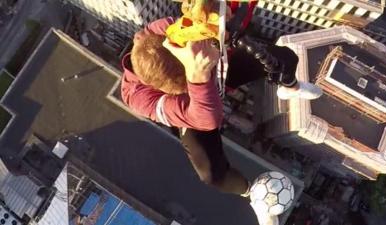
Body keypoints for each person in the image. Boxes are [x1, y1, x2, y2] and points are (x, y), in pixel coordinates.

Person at [121, 14, 322, 196]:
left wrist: (217, 30)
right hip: (192, 107)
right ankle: (251, 193)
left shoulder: (166, 30)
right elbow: (206, 120)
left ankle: (290, 86)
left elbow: (208, 21)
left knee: (285, 57)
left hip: (216, 71)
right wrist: (197, 77)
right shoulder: (138, 98)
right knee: (211, 173)